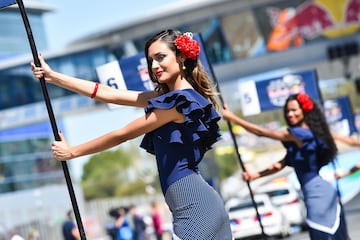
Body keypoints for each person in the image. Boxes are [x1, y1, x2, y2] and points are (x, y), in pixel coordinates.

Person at [31, 29, 232, 240]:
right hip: (197, 205)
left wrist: (72, 152)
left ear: (181, 56)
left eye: (160, 57)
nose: (154, 66)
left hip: (196, 209)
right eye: (150, 60)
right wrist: (54, 77)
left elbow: (122, 134)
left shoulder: (178, 104)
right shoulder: (175, 98)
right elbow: (111, 94)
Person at [221, 93, 350, 240]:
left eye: (294, 110)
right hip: (317, 193)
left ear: (304, 110)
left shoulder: (301, 133)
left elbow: (263, 132)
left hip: (317, 194)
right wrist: (255, 175)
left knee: (320, 234)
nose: (290, 114)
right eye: (287, 111)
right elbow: (278, 166)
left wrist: (233, 118)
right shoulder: (298, 143)